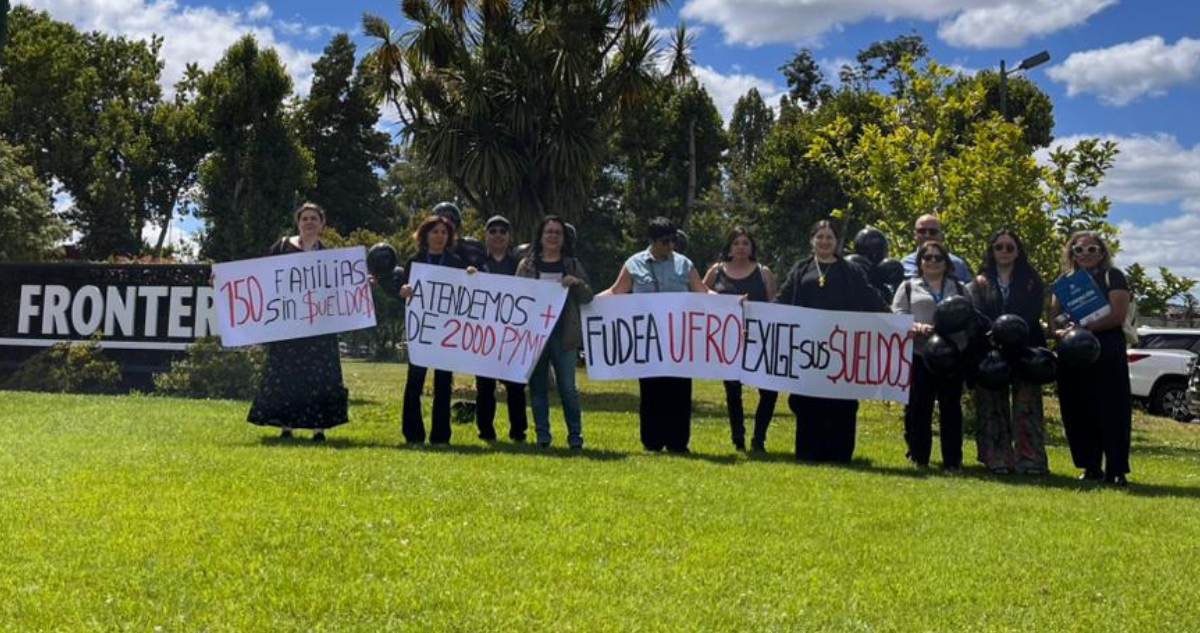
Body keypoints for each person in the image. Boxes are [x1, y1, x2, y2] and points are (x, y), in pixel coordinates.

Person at [776, 220, 889, 462]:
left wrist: (897, 323)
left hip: (842, 348)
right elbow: (782, 300)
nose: (825, 242)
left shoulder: (850, 271)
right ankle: (808, 452)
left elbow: (871, 298)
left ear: (837, 242)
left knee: (842, 402)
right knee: (807, 402)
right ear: (812, 240)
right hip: (808, 350)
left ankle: (839, 453)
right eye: (820, 237)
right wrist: (755, 315)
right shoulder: (801, 269)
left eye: (829, 237)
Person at [600, 217, 714, 453]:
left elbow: (702, 292)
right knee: (651, 391)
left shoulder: (684, 264)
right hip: (647, 340)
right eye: (665, 241)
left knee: (680, 392)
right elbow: (616, 291)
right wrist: (590, 304)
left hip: (679, 340)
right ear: (652, 241)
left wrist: (731, 303)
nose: (670, 246)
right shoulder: (634, 264)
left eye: (673, 240)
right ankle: (651, 442)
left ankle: (678, 443)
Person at [247, 202, 348, 442]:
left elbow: (340, 288)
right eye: (305, 218)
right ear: (298, 222)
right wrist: (222, 279)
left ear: (322, 224)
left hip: (319, 328)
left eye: (314, 218)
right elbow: (259, 275)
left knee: (319, 375)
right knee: (287, 373)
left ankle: (318, 429)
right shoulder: (281, 247)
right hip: (288, 325)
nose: (309, 222)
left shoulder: (330, 257)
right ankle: (287, 425)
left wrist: (360, 281)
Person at [1050, 231, 1133, 486]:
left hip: (1106, 348)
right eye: (1079, 250)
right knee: (1078, 408)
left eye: (1092, 249)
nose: (1085, 254)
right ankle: (1091, 466)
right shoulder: (1064, 281)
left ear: (1102, 252)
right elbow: (1053, 316)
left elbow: (1118, 314)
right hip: (1074, 350)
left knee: (1111, 410)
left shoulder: (1113, 276)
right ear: (1071, 253)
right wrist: (1060, 331)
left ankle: (1116, 469)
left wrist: (1087, 328)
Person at [967, 230, 1048, 474]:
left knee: (1028, 405)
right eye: (999, 247)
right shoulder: (980, 281)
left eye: (1009, 247)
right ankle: (997, 458)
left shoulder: (1031, 279)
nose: (1004, 252)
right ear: (991, 251)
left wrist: (1013, 332)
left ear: (1018, 251)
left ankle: (1031, 460)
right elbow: (976, 312)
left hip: (1025, 348)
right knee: (991, 404)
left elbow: (1034, 312)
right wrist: (994, 334)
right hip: (990, 349)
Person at [516, 216, 594, 449]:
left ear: (563, 238)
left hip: (563, 336)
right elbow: (516, 297)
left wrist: (577, 284)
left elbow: (588, 297)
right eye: (548, 232)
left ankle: (575, 436)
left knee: (568, 389)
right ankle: (543, 436)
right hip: (535, 337)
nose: (552, 236)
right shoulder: (527, 266)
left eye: (557, 233)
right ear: (540, 237)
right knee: (538, 388)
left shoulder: (571, 264)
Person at [893, 240, 969, 472]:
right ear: (920, 263)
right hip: (919, 354)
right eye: (928, 258)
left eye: (938, 258)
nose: (933, 262)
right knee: (919, 408)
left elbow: (969, 317)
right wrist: (916, 327)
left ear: (946, 262)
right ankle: (919, 457)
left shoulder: (959, 287)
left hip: (952, 356)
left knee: (951, 409)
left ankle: (952, 461)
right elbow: (896, 315)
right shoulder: (908, 286)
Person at [703, 228, 779, 452]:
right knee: (733, 391)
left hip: (759, 340)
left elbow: (775, 303)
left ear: (752, 247)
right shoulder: (716, 271)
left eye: (746, 243)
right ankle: (738, 438)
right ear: (729, 247)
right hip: (727, 342)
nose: (741, 247)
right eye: (736, 243)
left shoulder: (764, 272)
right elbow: (699, 297)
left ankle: (759, 438)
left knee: (768, 390)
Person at [399, 215, 466, 444]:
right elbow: (407, 298)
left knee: (443, 385)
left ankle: (441, 436)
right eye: (435, 231)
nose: (439, 236)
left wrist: (473, 278)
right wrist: (404, 293)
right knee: (414, 383)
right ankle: (413, 434)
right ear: (425, 235)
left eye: (444, 232)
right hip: (421, 332)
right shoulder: (414, 262)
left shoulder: (457, 263)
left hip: (446, 333)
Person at [472, 215, 529, 443]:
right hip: (484, 336)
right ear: (486, 235)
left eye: (502, 232)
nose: (497, 235)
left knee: (516, 387)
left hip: (512, 336)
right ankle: (486, 432)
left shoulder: (520, 265)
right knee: (485, 389)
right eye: (493, 231)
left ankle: (518, 433)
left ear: (509, 236)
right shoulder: (476, 264)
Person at [901, 214, 972, 281]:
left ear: (941, 235)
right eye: (922, 231)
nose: (927, 235)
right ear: (915, 235)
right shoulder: (904, 264)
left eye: (933, 232)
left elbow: (968, 291)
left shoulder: (957, 264)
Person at [433, 201, 487, 268]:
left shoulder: (473, 248)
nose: (444, 226)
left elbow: (486, 273)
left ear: (457, 225)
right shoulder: (423, 254)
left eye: (450, 221)